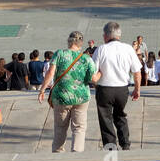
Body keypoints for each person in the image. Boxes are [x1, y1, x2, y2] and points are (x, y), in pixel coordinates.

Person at [38, 30, 97, 153]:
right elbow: (93, 78)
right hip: (81, 97)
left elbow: (50, 73)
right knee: (79, 128)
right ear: (80, 43)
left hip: (62, 97)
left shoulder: (59, 54)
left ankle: (58, 152)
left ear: (69, 41)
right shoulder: (86, 58)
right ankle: (77, 152)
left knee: (60, 127)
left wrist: (42, 89)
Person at [93, 21, 143, 151]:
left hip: (105, 89)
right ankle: (125, 144)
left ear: (106, 36)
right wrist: (137, 89)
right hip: (122, 89)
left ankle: (111, 149)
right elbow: (137, 72)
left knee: (106, 119)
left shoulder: (101, 49)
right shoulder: (128, 49)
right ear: (119, 35)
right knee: (120, 115)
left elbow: (93, 73)